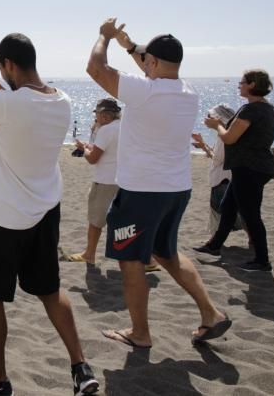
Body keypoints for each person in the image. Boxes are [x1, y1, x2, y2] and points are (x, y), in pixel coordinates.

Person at [0, 36, 98, 396]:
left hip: (2, 218)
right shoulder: (60, 101)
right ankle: (80, 367)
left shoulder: (6, 104)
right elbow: (14, 103)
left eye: (2, 68)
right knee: (50, 290)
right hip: (45, 212)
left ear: (10, 65)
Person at [87, 18, 231, 349]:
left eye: (146, 61)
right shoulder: (188, 92)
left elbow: (96, 68)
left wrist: (104, 36)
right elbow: (155, 67)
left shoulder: (145, 91)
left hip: (141, 193)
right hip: (176, 189)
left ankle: (140, 333)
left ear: (151, 63)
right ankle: (211, 314)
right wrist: (130, 46)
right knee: (166, 253)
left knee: (131, 259)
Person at [194, 70, 274, 272]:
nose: (239, 85)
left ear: (251, 85)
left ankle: (262, 260)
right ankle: (214, 245)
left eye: (242, 82)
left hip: (249, 168)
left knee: (250, 214)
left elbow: (230, 138)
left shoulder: (251, 110)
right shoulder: (267, 108)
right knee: (228, 205)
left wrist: (217, 126)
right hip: (255, 166)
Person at [65, 98, 122, 266]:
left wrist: (84, 150)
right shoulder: (125, 126)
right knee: (122, 221)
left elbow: (94, 159)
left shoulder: (107, 130)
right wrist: (91, 142)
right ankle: (142, 258)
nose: (95, 118)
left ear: (104, 115)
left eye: (97, 115)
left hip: (105, 180)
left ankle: (89, 254)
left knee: (96, 220)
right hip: (124, 180)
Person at [191, 105, 247, 237]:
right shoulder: (231, 133)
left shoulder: (225, 136)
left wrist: (203, 145)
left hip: (222, 179)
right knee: (239, 212)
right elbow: (218, 157)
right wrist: (203, 144)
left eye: (209, 116)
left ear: (218, 118)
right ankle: (252, 240)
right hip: (231, 177)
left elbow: (217, 159)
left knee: (221, 212)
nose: (206, 119)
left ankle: (214, 242)